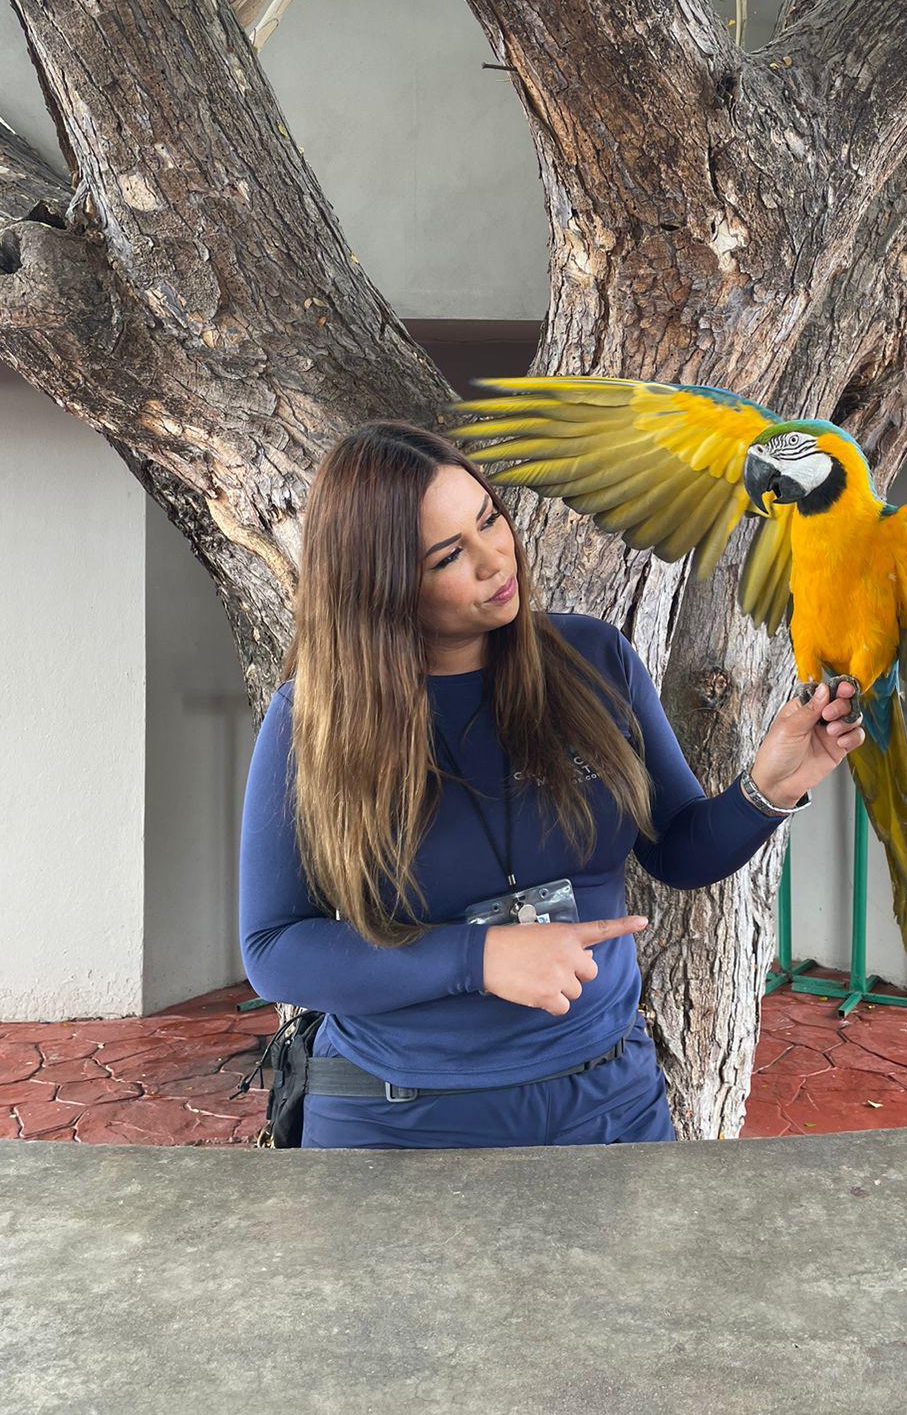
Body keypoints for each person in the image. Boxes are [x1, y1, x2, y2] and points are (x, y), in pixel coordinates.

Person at [237, 419, 865, 1150]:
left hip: (606, 1107)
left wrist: (767, 788)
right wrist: (478, 959)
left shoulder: (593, 660)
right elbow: (275, 948)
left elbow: (678, 850)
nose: (493, 558)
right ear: (381, 588)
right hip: (395, 1122)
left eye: (489, 519)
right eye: (448, 556)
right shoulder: (314, 717)